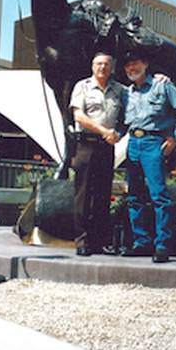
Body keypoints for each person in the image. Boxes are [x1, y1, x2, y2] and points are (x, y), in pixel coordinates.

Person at [121, 50, 176, 263]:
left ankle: (163, 244)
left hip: (154, 143)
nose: (131, 69)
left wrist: (174, 139)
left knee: (159, 195)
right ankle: (141, 242)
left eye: (135, 63)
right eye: (127, 66)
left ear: (145, 63)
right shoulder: (126, 92)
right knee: (134, 195)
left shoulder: (162, 85)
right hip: (133, 143)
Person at [69, 52, 122, 256]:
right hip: (86, 146)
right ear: (92, 66)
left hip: (106, 148)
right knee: (83, 195)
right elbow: (79, 117)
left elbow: (134, 104)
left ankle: (100, 242)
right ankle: (82, 241)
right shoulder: (82, 86)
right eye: (98, 64)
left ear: (112, 68)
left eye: (106, 64)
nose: (102, 68)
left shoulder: (119, 90)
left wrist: (161, 79)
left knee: (102, 195)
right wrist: (104, 131)